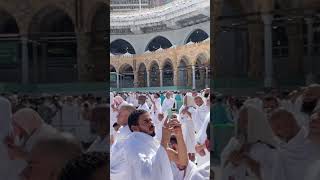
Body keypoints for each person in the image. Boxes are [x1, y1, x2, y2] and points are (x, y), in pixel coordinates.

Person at [110, 109, 174, 180]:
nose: (151, 124)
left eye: (151, 120)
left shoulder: (149, 142)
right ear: (134, 128)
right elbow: (147, 175)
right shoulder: (133, 146)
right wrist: (165, 140)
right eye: (146, 121)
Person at [221, 105, 276, 180]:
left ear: (255, 123)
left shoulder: (268, 148)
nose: (241, 124)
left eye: (245, 121)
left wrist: (247, 160)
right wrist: (232, 161)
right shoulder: (234, 142)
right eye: (239, 120)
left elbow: (273, 175)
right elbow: (225, 168)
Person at [268, 108, 320, 180]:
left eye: (278, 127)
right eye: (274, 129)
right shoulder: (281, 150)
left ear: (292, 120)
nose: (276, 133)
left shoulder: (315, 139)